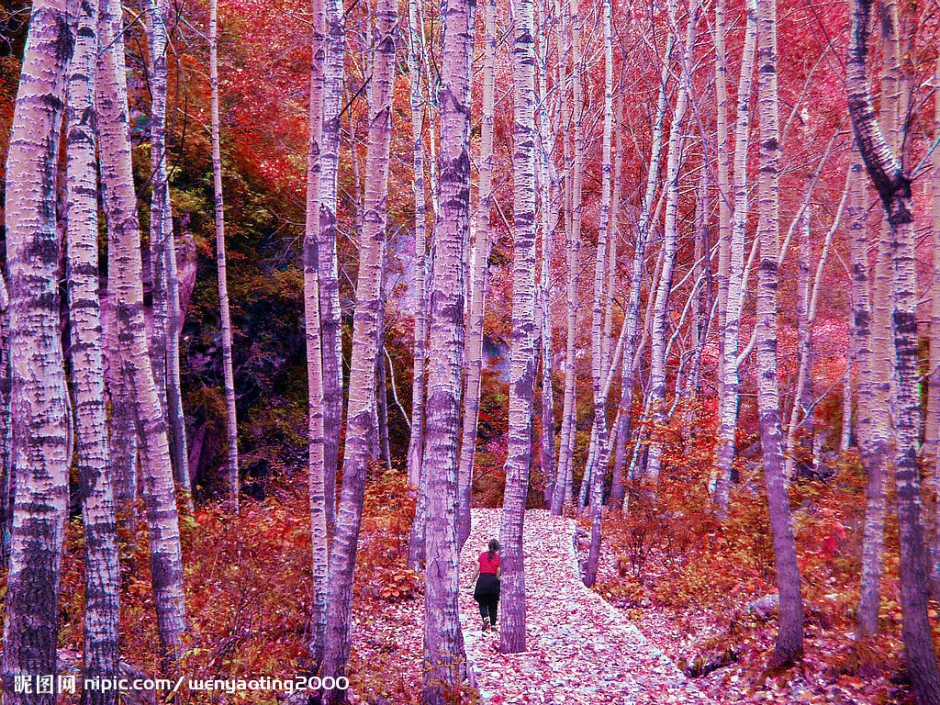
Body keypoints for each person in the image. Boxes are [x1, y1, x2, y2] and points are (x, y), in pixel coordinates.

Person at [470, 539, 500, 633]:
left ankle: (485, 617)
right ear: (497, 548)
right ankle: (493, 625)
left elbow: (476, 570)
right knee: (493, 604)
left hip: (483, 580)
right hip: (493, 581)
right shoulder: (498, 558)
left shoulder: (482, 556)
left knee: (481, 601)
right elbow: (498, 572)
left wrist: (471, 581)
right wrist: (497, 581)